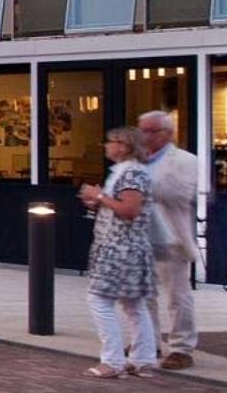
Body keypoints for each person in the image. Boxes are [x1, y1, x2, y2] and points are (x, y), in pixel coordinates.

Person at [78, 125, 159, 379]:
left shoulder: (131, 174)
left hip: (120, 249)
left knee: (99, 300)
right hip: (125, 247)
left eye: (110, 141)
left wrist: (99, 195)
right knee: (133, 303)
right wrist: (98, 203)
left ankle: (112, 360)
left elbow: (129, 210)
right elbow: (120, 208)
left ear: (123, 146)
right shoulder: (127, 173)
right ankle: (143, 359)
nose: (106, 145)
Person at [136, 111, 200, 371]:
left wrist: (135, 185)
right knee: (142, 293)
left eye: (152, 131)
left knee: (176, 295)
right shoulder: (136, 160)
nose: (145, 136)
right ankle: (148, 341)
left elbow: (178, 193)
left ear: (168, 133)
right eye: (142, 131)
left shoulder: (185, 160)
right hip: (140, 236)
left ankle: (181, 348)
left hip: (171, 236)